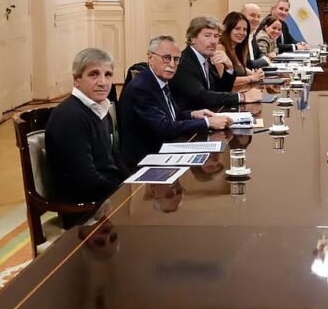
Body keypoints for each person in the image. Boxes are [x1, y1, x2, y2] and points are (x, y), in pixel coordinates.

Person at [119, 36, 233, 170]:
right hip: (145, 160)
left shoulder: (159, 80)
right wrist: (207, 123)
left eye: (176, 59)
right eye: (167, 58)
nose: (172, 65)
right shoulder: (142, 87)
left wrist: (193, 114)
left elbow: (172, 116)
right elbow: (164, 127)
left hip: (164, 150)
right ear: (150, 58)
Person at [45, 48, 128, 226]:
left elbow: (114, 159)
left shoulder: (100, 108)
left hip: (107, 197)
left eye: (108, 75)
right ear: (76, 80)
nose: (103, 82)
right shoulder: (71, 117)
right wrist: (125, 194)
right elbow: (85, 179)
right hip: (85, 210)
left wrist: (133, 186)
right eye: (94, 74)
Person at [170, 16, 262, 111]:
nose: (214, 41)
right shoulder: (184, 62)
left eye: (216, 36)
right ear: (192, 39)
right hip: (190, 120)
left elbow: (220, 89)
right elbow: (202, 96)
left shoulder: (205, 58)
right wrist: (242, 97)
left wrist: (229, 68)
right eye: (207, 35)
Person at [217, 11, 265, 88]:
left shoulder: (237, 48)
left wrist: (256, 73)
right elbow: (222, 80)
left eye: (245, 29)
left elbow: (239, 68)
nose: (242, 33)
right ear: (228, 29)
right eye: (237, 28)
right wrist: (251, 78)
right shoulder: (219, 49)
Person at [241, 3, 270, 69]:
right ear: (242, 17)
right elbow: (245, 64)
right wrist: (264, 61)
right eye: (252, 15)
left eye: (258, 17)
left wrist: (264, 59)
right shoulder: (239, 37)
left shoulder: (252, 35)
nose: (256, 19)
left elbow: (259, 53)